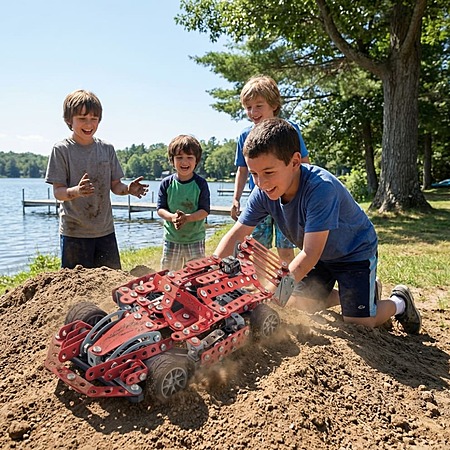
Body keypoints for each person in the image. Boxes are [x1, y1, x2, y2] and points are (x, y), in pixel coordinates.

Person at [215, 118, 421, 333]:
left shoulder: (320, 188)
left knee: (359, 323)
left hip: (354, 253)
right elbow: (237, 234)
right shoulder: (263, 193)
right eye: (254, 174)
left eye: (268, 172)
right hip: (321, 256)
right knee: (297, 303)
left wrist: (271, 293)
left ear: (295, 162)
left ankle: (400, 302)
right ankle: (358, 295)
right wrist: (211, 270)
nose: (261, 182)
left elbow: (310, 254)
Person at [45, 89, 148, 270]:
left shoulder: (107, 149)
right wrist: (76, 191)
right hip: (74, 233)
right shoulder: (61, 150)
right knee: (77, 283)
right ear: (69, 120)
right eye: (82, 118)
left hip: (105, 231)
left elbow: (115, 185)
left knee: (112, 281)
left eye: (94, 118)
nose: (89, 124)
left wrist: (128, 189)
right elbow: (58, 192)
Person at [231, 75, 310, 264]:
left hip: (286, 199)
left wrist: (302, 196)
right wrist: (236, 198)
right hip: (260, 199)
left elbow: (304, 163)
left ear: (274, 105)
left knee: (285, 248)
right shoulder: (245, 135)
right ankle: (260, 281)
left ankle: (289, 279)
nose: (253, 112)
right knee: (258, 248)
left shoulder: (289, 130)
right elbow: (242, 170)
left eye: (259, 105)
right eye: (248, 107)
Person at [157, 135, 210, 271]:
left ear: (196, 160)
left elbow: (204, 211)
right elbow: (160, 209)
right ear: (172, 160)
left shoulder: (201, 184)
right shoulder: (166, 183)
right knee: (169, 273)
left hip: (195, 238)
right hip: (172, 238)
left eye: (189, 157)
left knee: (197, 274)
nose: (184, 162)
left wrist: (187, 218)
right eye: (179, 157)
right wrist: (172, 217)